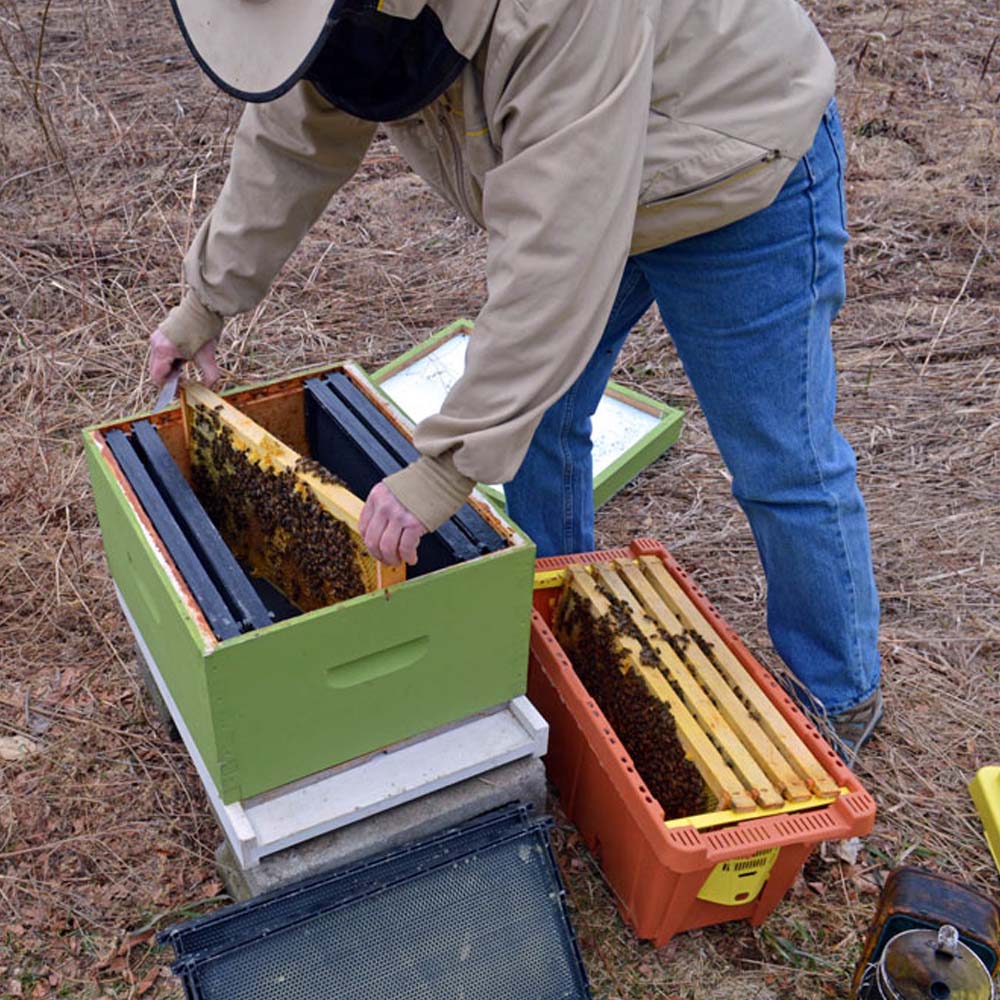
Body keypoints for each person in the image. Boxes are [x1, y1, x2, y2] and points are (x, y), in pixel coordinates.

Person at [150, 0, 882, 756]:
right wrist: (207, 300)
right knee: (539, 425)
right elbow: (291, 142)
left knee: (780, 461)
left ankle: (838, 693)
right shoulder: (334, 15)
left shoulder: (561, 12)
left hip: (729, 168)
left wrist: (448, 465)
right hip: (587, 183)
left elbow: (553, 252)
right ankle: (559, 630)